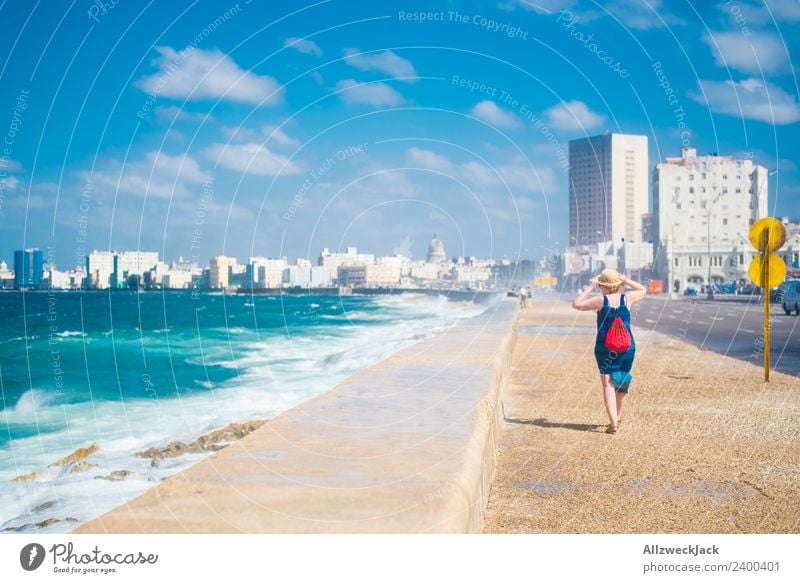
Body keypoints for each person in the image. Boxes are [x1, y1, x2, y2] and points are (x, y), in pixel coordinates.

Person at [571, 269, 647, 434]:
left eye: (599, 285)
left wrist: (590, 288)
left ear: (602, 285)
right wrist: (626, 280)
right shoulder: (627, 298)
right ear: (618, 285)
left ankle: (613, 424)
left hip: (606, 348)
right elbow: (643, 290)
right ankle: (618, 416)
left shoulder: (600, 301)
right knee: (621, 380)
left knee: (607, 384)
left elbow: (576, 304)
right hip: (627, 346)